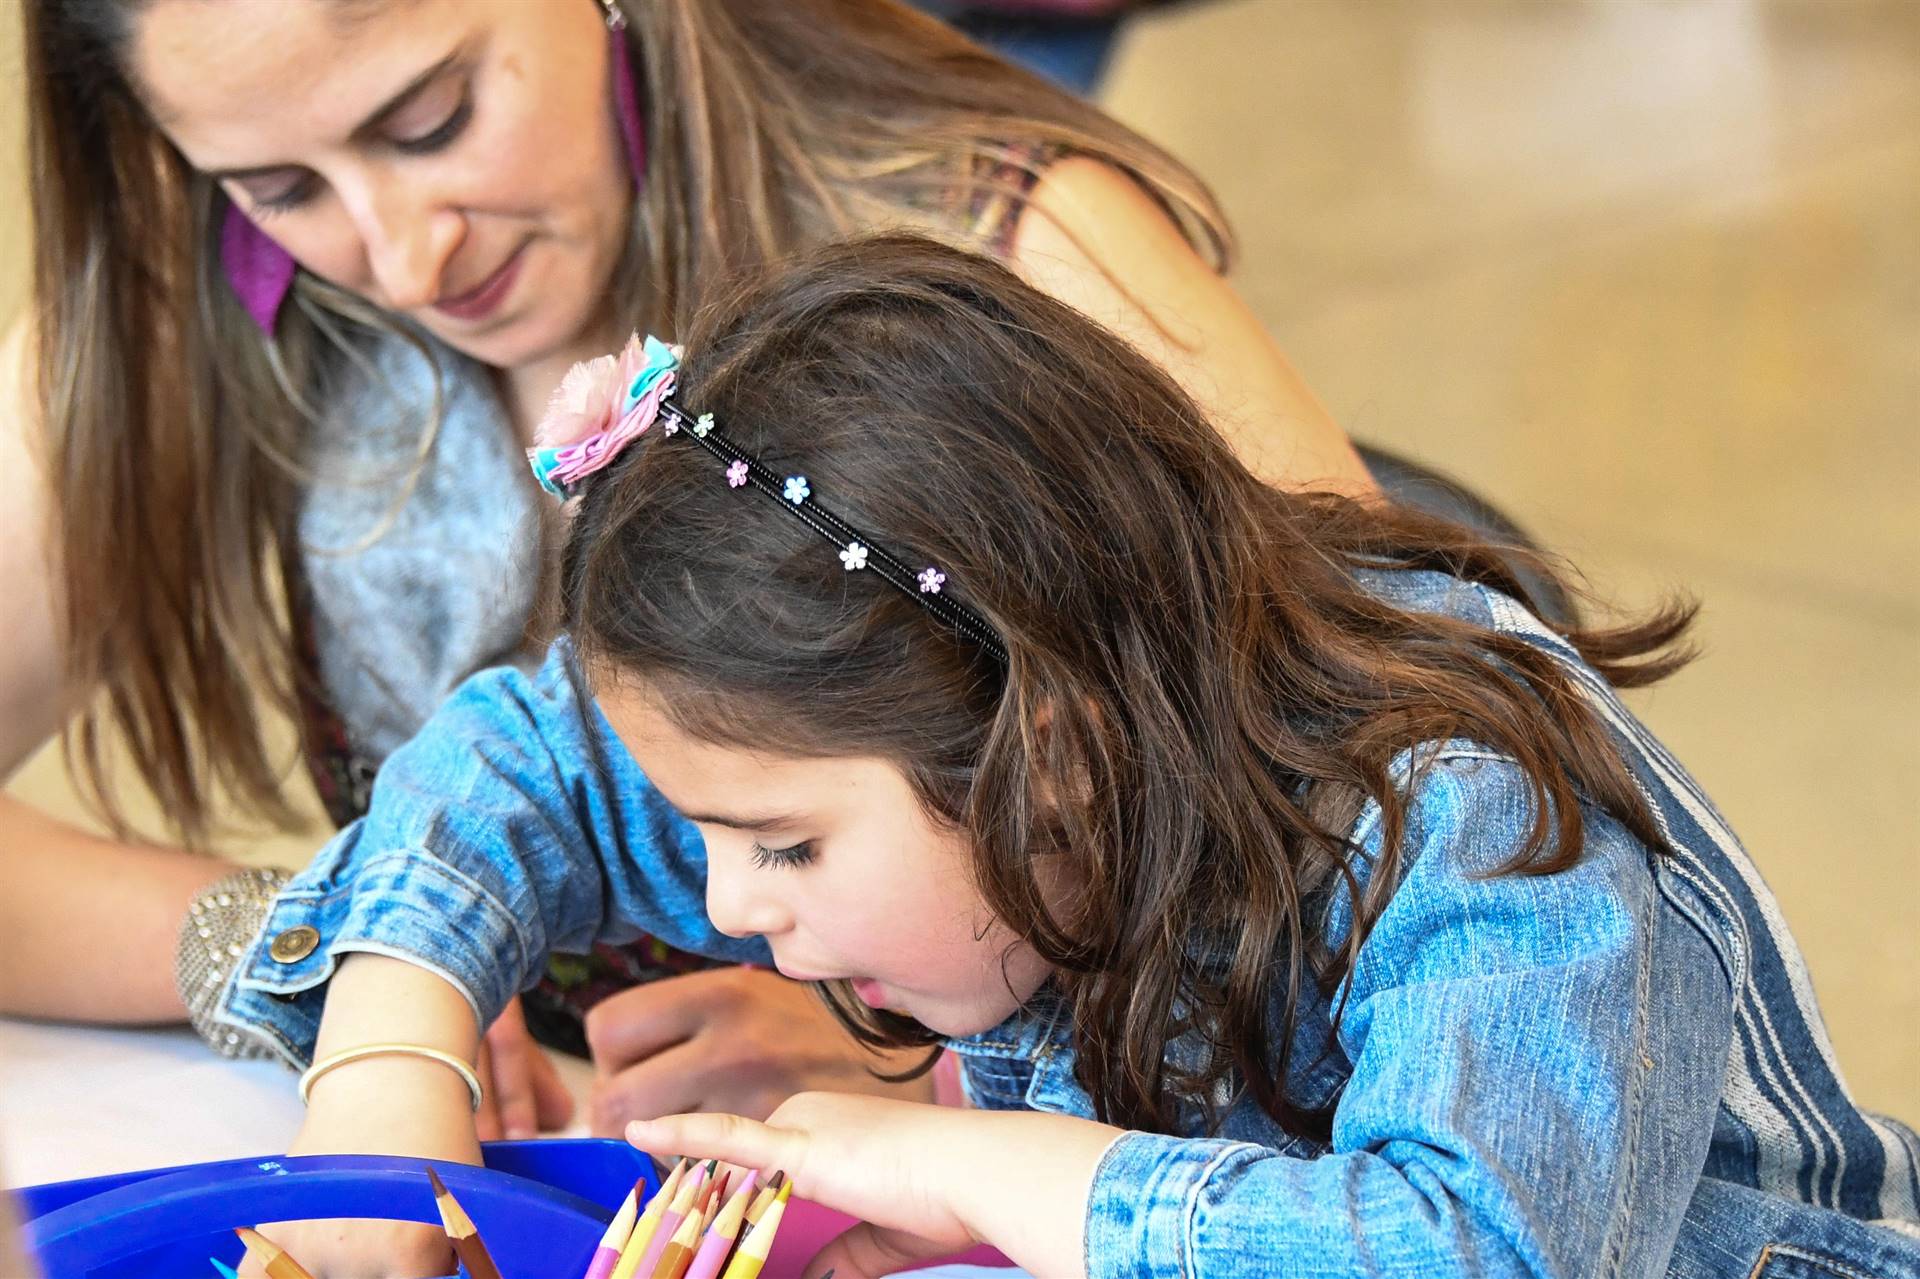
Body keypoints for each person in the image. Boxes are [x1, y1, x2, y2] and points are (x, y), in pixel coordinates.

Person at [229, 238, 1918, 1278]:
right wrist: (391, 1072)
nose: (736, 908)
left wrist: (971, 1164)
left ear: (1050, 748)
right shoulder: (950, 739)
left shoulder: (1482, 815)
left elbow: (1477, 1253)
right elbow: (522, 764)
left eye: (787, 849)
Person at [3, 0, 1372, 1140]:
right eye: (279, 190)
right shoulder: (187, 325)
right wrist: (354, 956)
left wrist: (951, 1034)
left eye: (432, 120)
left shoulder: (1004, 248)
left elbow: (1365, 829)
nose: (406, 254)